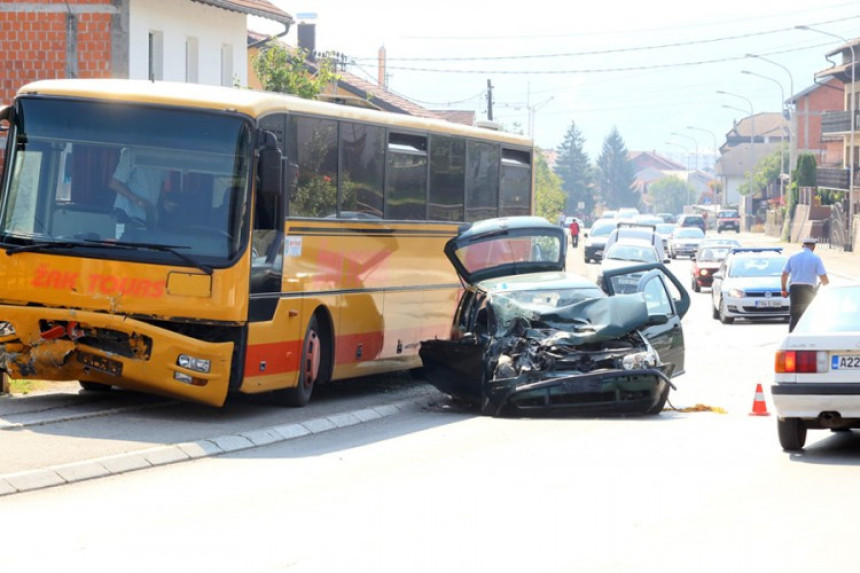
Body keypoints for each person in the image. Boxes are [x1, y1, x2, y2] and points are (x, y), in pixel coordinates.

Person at [109, 148, 169, 228]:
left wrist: (165, 202)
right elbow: (114, 184)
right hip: (127, 216)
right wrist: (138, 200)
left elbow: (160, 188)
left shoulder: (165, 157)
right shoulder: (131, 153)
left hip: (150, 218)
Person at [781, 237, 829, 332]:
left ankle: (792, 336)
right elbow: (823, 277)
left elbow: (784, 275)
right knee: (808, 314)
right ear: (813, 247)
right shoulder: (816, 258)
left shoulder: (793, 256)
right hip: (808, 289)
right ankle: (807, 335)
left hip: (794, 288)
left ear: (803, 246)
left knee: (794, 315)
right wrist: (827, 288)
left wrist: (783, 289)